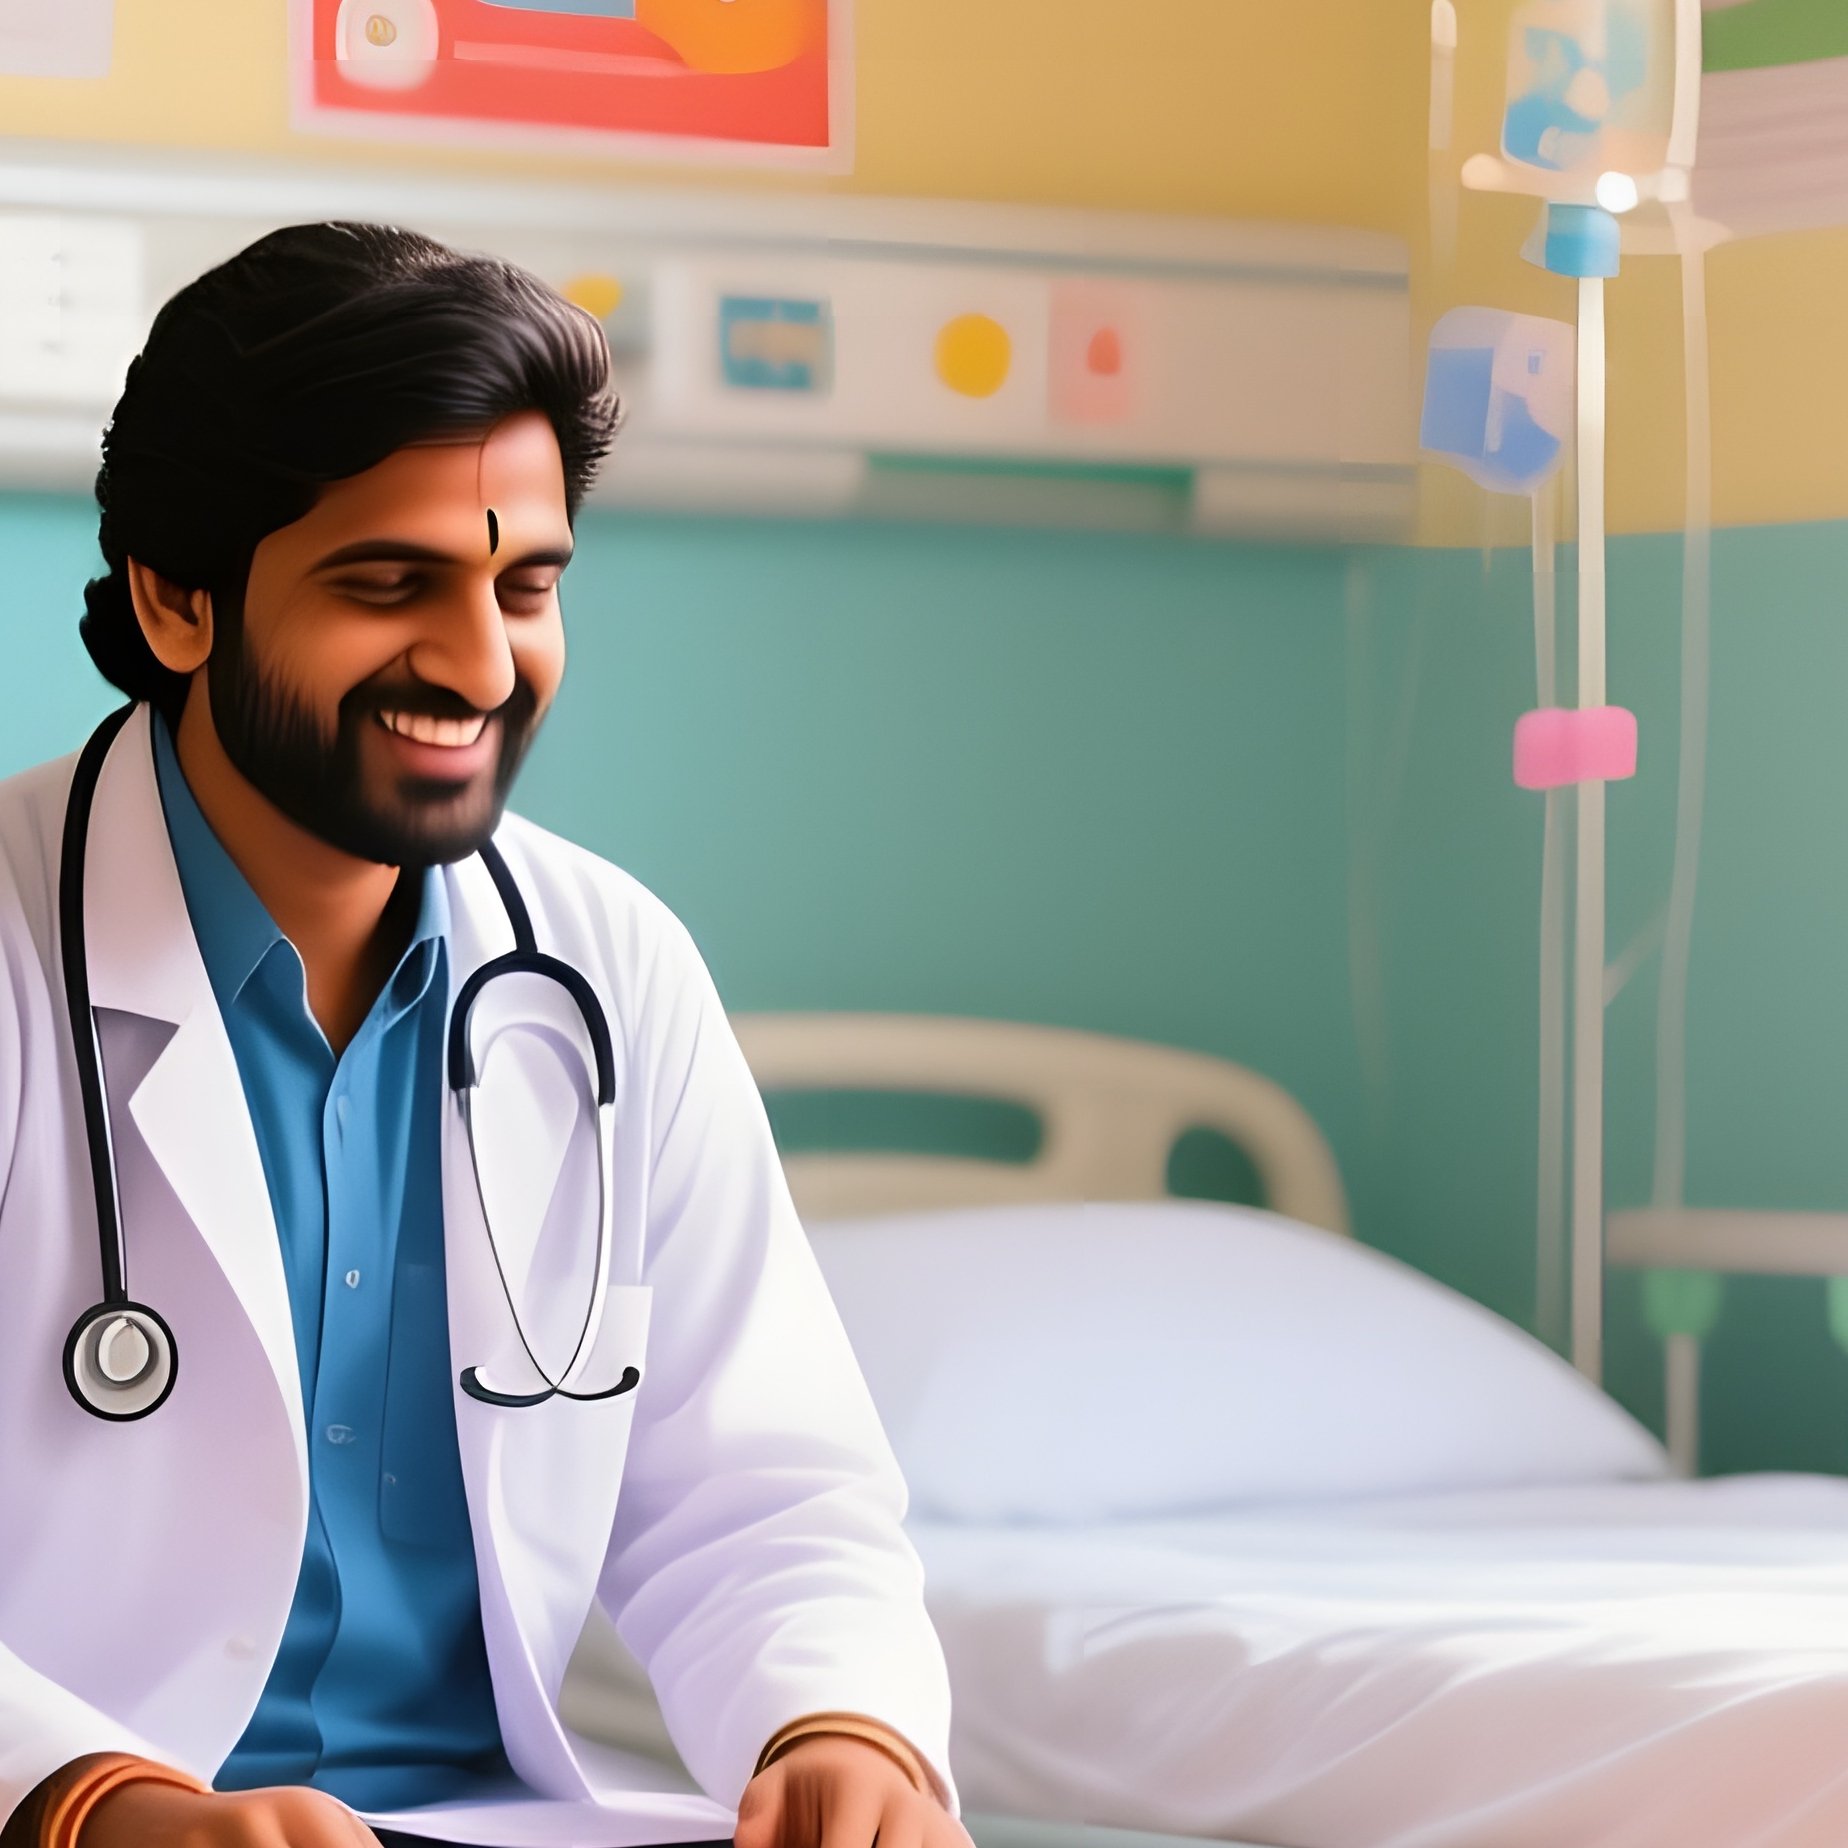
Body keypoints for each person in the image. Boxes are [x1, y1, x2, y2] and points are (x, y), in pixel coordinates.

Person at [0, 222, 968, 1848]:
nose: (476, 661)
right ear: (179, 600)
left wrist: (841, 1725)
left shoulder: (610, 968)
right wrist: (93, 1797)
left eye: (526, 587)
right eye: (389, 585)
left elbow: (761, 1488)